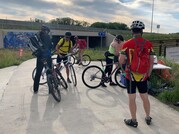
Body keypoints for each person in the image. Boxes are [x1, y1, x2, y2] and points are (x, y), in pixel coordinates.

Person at [119, 20, 155, 127]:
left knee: (132, 98)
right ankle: (148, 117)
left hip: (131, 75)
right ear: (142, 31)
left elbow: (121, 60)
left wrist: (125, 61)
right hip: (143, 75)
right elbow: (152, 60)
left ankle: (134, 121)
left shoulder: (127, 43)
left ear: (132, 31)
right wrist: (148, 73)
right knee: (145, 97)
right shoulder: (148, 44)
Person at [33, 25, 52, 94]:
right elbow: (50, 46)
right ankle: (51, 89)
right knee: (49, 72)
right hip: (47, 56)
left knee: (38, 72)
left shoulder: (37, 36)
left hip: (39, 57)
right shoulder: (47, 36)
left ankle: (35, 89)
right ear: (46, 31)